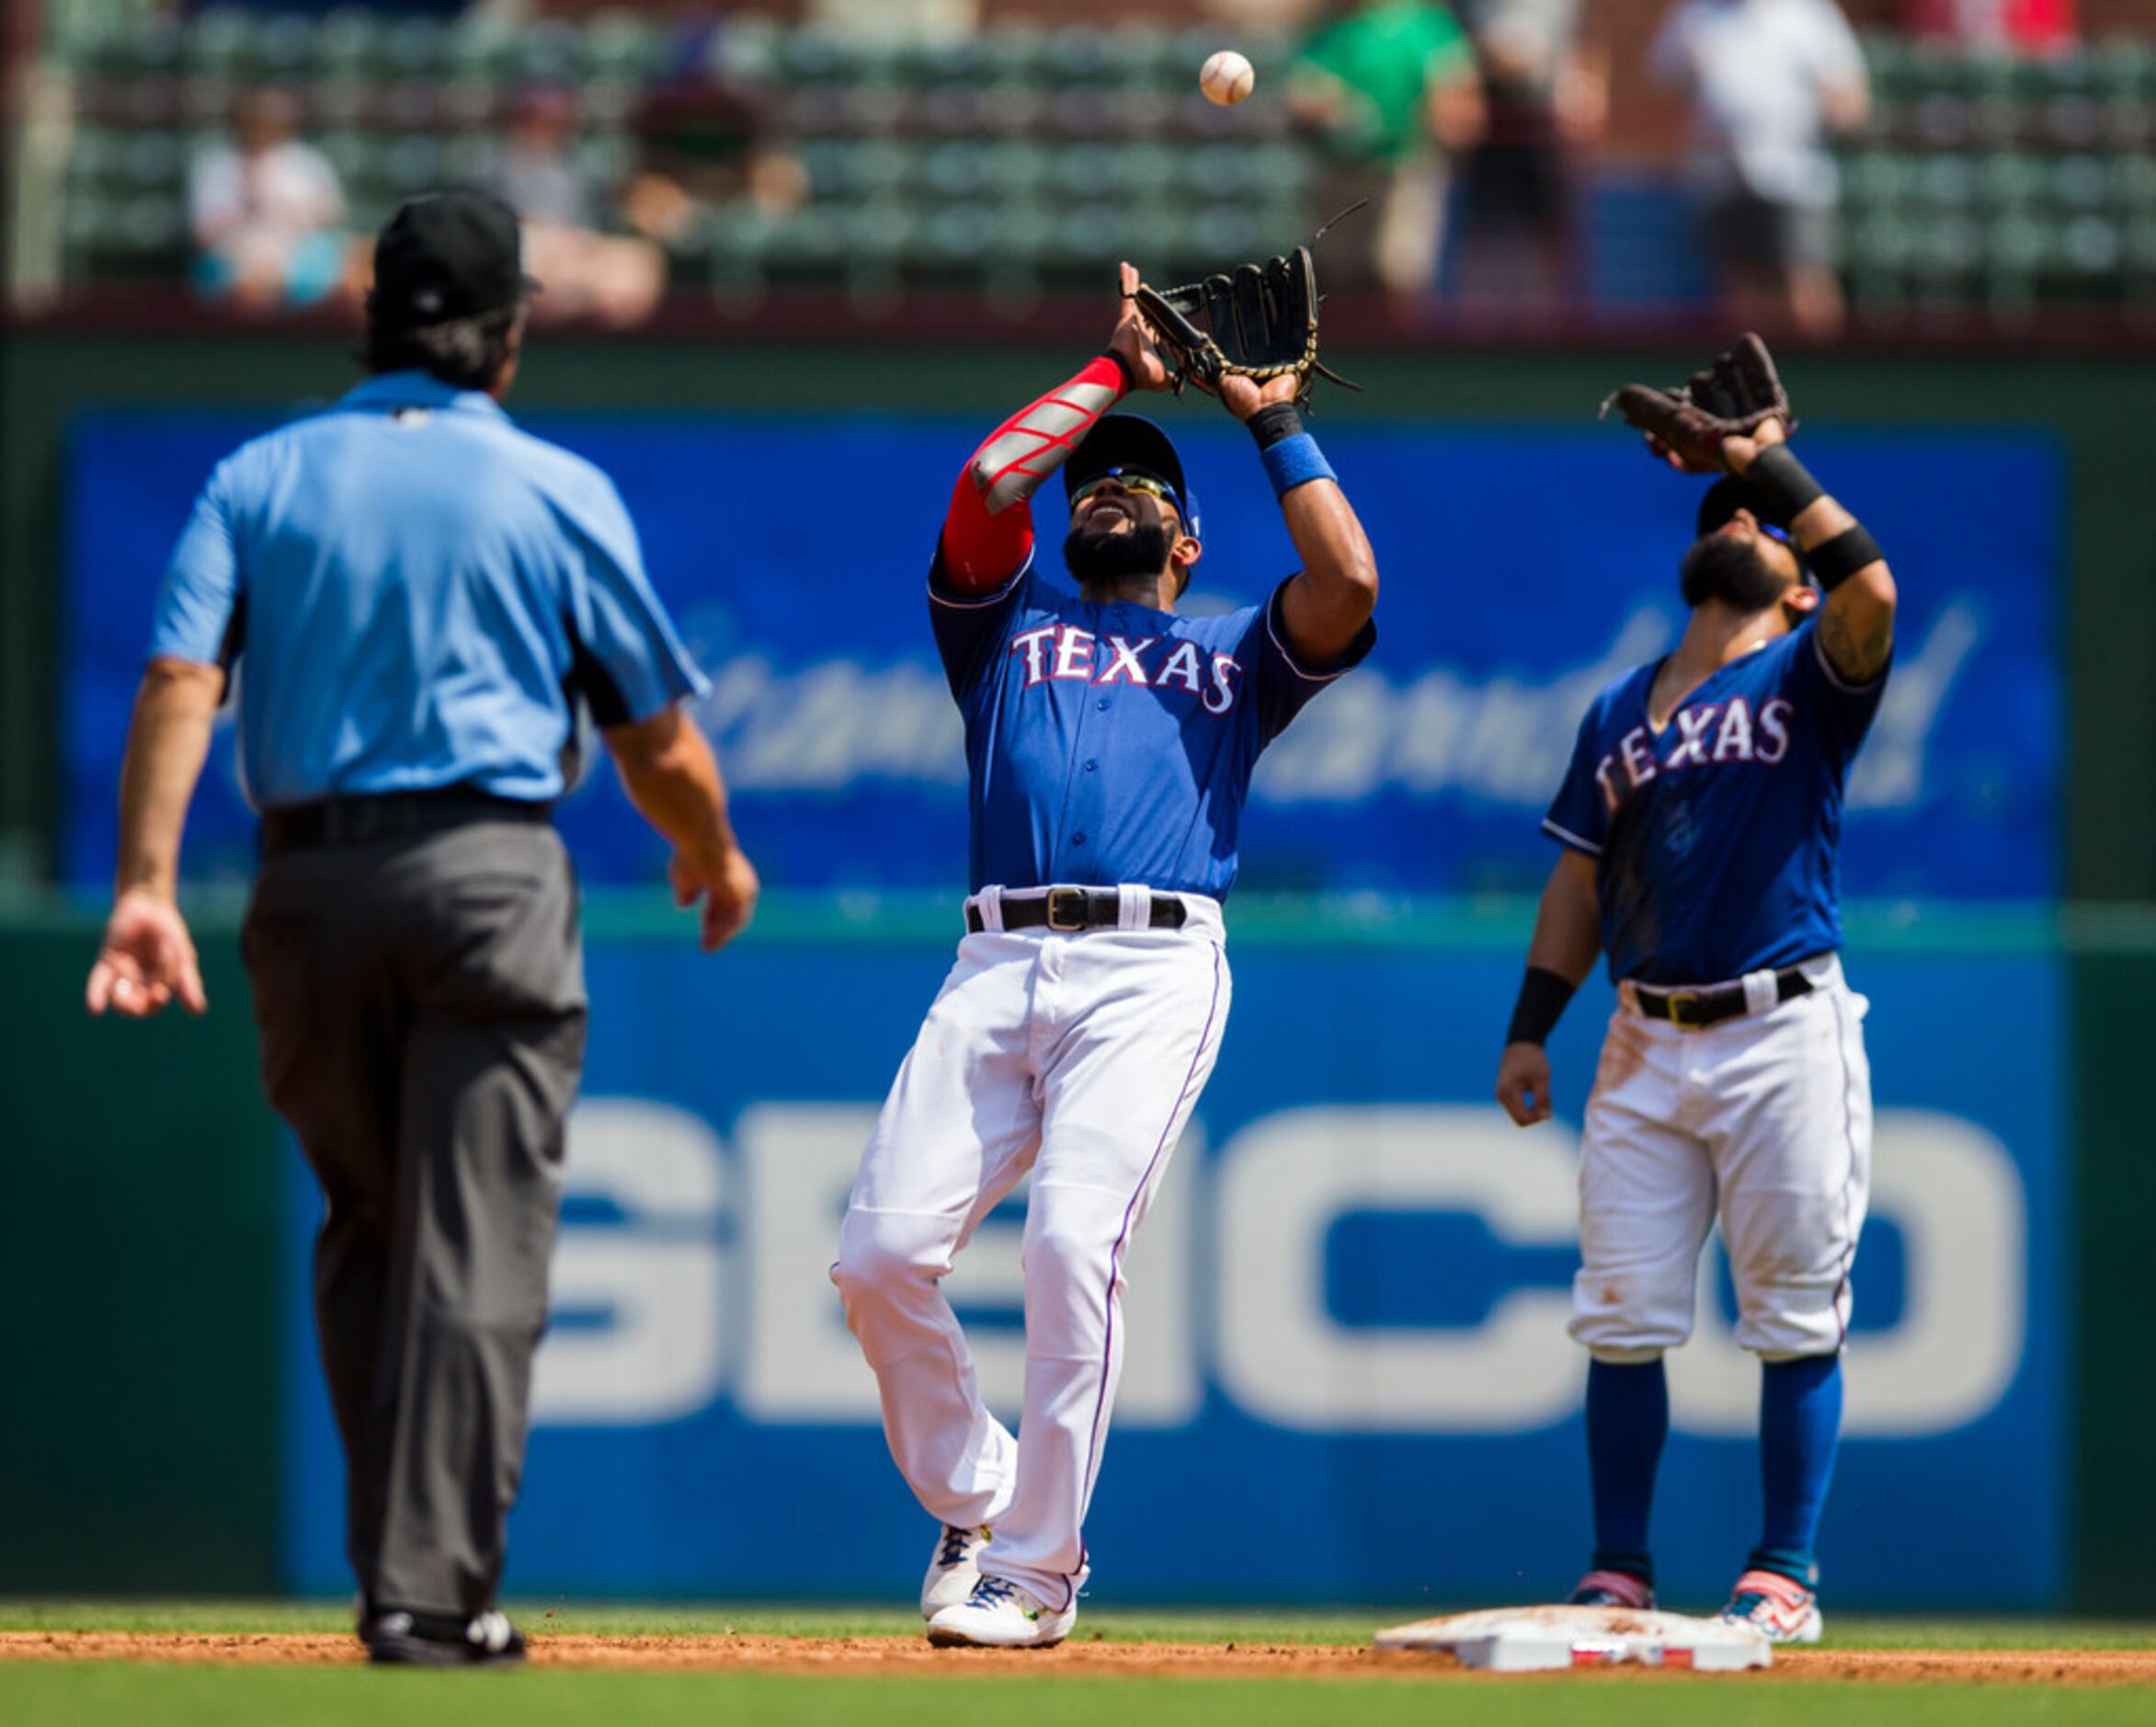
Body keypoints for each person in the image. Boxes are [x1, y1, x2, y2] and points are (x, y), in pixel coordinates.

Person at [85, 189, 759, 1666]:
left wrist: (144, 881)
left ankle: (402, 1569)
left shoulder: (257, 475)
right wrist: (708, 852)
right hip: (486, 879)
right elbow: (653, 735)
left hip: (308, 891)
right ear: (511, 337)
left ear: (371, 322)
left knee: (372, 1230)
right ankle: (431, 1592)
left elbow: (179, 682)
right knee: (477, 1246)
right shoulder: (554, 488)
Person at [830, 263, 1379, 1649]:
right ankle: (981, 1493)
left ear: (1190, 542)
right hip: (995, 963)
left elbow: (1349, 578)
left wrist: (1269, 421)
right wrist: (1116, 376)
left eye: (1141, 490)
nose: (1108, 494)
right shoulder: (1000, 629)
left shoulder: (1234, 657)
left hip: (1150, 970)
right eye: (1095, 487)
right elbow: (987, 476)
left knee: (1075, 1243)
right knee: (878, 1256)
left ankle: (1039, 1566)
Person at [1494, 339, 1897, 1642]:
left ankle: (1783, 1568)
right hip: (1639, 1039)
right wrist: (1528, 1028)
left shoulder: (1807, 674)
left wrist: (1763, 465)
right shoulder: (1617, 706)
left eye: (1763, 524)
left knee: (1789, 1312)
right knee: (1620, 1311)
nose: (1741, 525)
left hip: (1781, 1026)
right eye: (1726, 513)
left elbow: (1875, 587)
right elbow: (1575, 882)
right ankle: (1618, 1566)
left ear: (1791, 583)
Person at [1648, 0, 1872, 337]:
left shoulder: (1811, 15)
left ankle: (1822, 381)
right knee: (1742, 290)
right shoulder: (1695, 13)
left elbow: (1854, 100)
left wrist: (1835, 104)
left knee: (1802, 282)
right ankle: (1752, 384)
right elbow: (1662, 74)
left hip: (1795, 178)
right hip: (1722, 176)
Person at [1288, 0, 1487, 311]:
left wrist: (1444, 115)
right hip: (1339, 176)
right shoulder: (1330, 25)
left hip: (1406, 175)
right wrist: (1326, 107)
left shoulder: (1425, 24)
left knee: (1396, 277)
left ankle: (1405, 355)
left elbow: (1460, 110)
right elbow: (1301, 92)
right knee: (1333, 282)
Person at [1453, 0, 1609, 314]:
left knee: (1548, 235)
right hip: (1488, 130)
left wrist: (1588, 96)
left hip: (1545, 130)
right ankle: (1478, 330)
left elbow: (1587, 45)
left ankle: (1549, 327)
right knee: (1482, 235)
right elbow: (1450, 51)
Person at [188, 87, 354, 312]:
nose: (260, 129)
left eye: (267, 121)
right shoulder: (216, 167)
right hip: (234, 258)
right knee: (246, 287)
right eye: (253, 121)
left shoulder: (305, 163)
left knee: (353, 272)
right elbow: (204, 234)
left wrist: (286, 211)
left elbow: (330, 216)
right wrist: (246, 209)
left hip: (298, 256)